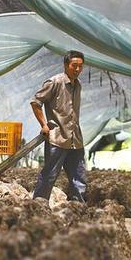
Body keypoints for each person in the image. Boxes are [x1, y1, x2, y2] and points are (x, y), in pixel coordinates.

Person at [30, 50, 86, 202]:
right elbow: (36, 102)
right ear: (66, 65)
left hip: (75, 139)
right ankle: (37, 207)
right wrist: (43, 124)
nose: (77, 69)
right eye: (74, 66)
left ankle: (78, 210)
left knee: (79, 177)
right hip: (58, 139)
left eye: (81, 66)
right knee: (50, 175)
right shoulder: (54, 82)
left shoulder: (78, 85)